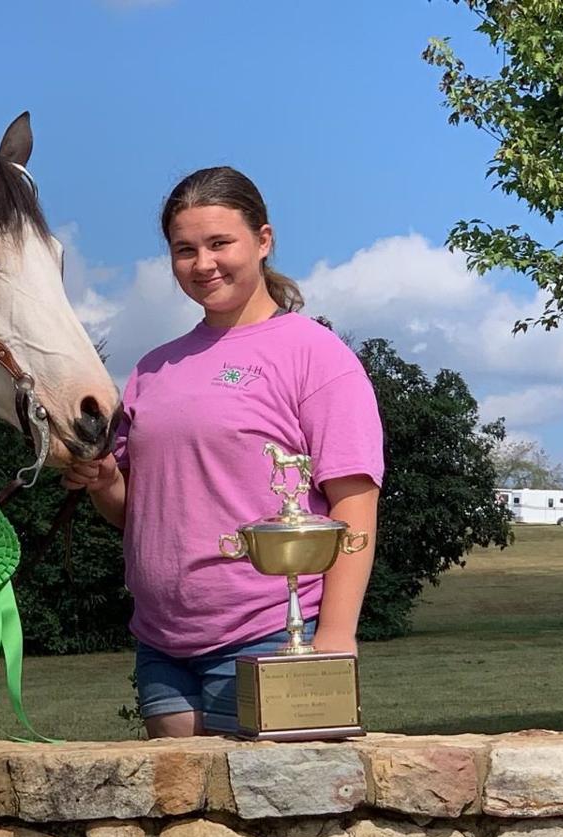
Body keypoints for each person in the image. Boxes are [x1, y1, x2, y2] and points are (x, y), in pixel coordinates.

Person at [64, 166, 383, 738]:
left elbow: (354, 502)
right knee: (186, 822)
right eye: (184, 249)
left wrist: (335, 636)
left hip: (275, 634)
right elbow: (137, 512)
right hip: (161, 643)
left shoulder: (316, 355)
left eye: (219, 243)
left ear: (263, 241)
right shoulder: (152, 369)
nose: (203, 263)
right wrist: (103, 479)